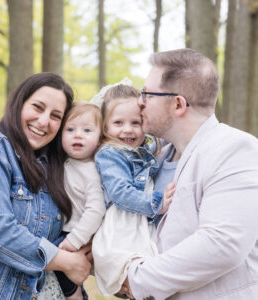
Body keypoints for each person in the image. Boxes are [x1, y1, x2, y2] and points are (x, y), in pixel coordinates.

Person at [120, 48, 258, 300]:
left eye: (147, 94)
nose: (139, 101)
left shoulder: (235, 149)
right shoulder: (155, 158)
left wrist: (136, 279)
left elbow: (222, 244)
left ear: (178, 104)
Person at [0, 72, 91, 300]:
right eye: (38, 107)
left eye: (55, 116)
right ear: (18, 103)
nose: (43, 122)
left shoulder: (52, 164)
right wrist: (66, 262)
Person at [92, 84, 175, 296]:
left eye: (135, 123)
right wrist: (156, 204)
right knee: (133, 271)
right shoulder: (110, 153)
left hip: (138, 222)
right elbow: (120, 192)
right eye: (118, 123)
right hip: (122, 225)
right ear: (105, 127)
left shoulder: (142, 150)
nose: (127, 129)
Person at [39, 102, 105, 300]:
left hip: (75, 232)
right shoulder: (61, 161)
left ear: (99, 139)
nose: (78, 135)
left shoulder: (92, 171)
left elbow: (96, 210)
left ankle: (74, 296)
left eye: (87, 130)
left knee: (58, 262)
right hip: (60, 227)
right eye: (70, 129)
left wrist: (74, 240)